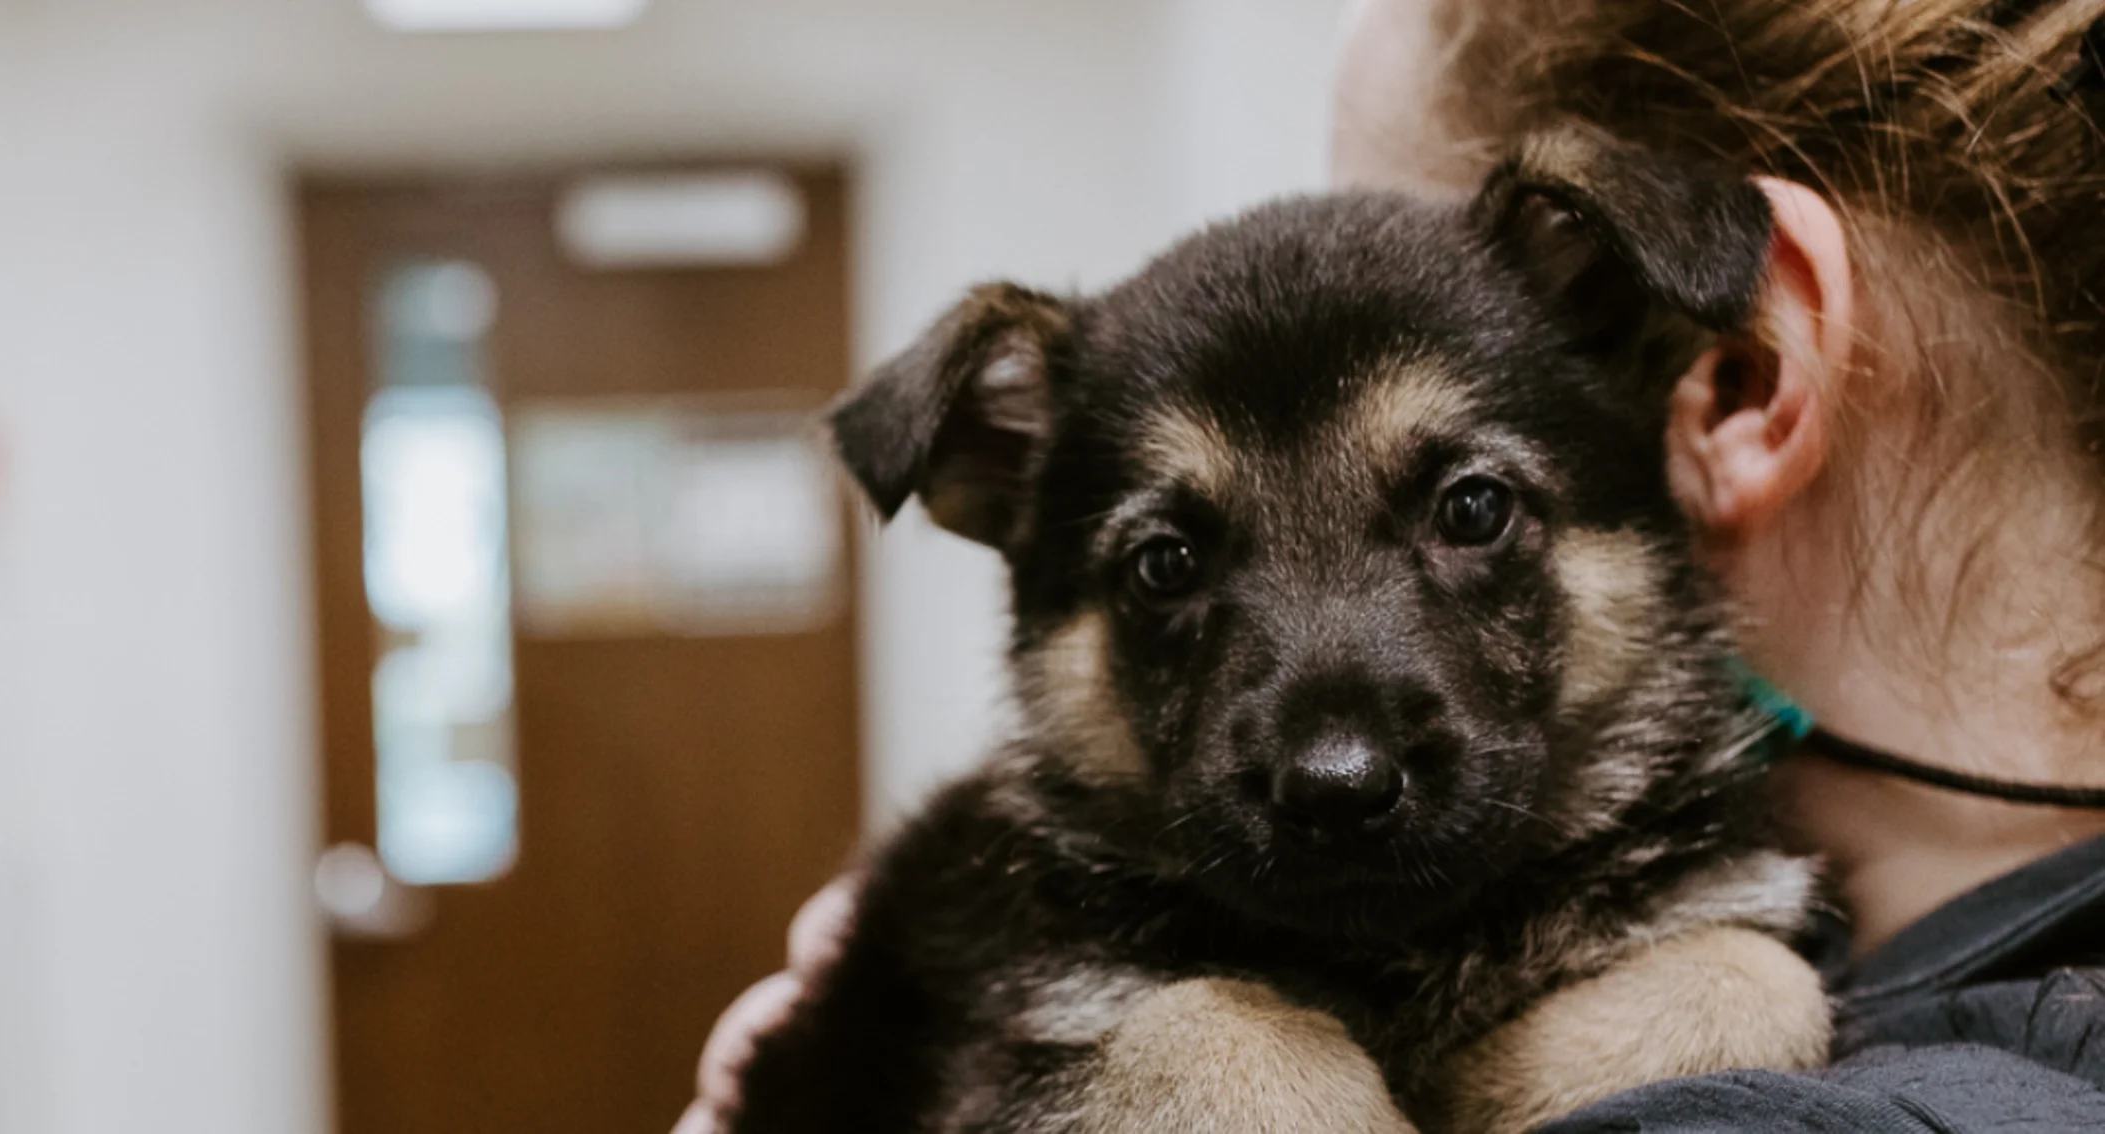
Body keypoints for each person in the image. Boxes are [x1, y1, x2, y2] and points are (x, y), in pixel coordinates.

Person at [678, 0, 2105, 1129]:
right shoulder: (973, 918)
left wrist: (1730, 992)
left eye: (1470, 512)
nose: (1334, 760)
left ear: (1721, 375)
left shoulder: (1796, 961)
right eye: (1168, 567)